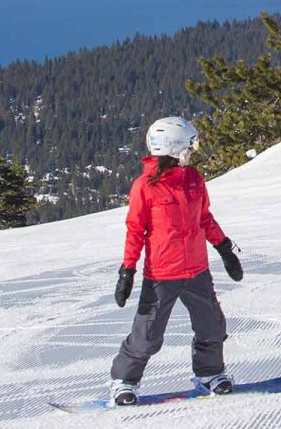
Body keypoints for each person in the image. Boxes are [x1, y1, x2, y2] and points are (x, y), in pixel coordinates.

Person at [107, 116, 246, 406]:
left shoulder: (194, 179)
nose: (193, 150)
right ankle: (124, 381)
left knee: (212, 327)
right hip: (162, 274)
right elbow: (135, 229)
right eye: (189, 144)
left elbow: (204, 217)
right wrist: (127, 270)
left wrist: (224, 248)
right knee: (147, 336)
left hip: (197, 270)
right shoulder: (144, 186)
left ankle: (210, 374)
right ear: (173, 146)